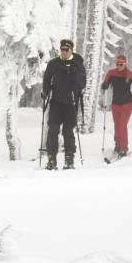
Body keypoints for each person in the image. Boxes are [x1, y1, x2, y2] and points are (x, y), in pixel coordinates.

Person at [42, 39, 86, 170]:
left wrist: (76, 89)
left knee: (68, 132)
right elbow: (46, 78)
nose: (64, 52)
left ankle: (69, 159)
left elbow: (82, 81)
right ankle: (51, 160)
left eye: (67, 49)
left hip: (71, 103)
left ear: (71, 50)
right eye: (62, 49)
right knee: (53, 130)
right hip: (56, 102)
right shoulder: (54, 63)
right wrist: (45, 91)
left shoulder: (78, 63)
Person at [100, 54, 132, 158]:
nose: (119, 66)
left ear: (125, 63)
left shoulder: (130, 74)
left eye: (121, 64)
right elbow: (105, 84)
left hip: (127, 103)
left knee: (122, 125)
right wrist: (104, 85)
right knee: (117, 125)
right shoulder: (111, 73)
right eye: (117, 64)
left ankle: (124, 148)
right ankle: (118, 145)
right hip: (115, 103)